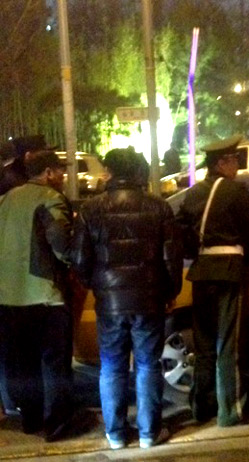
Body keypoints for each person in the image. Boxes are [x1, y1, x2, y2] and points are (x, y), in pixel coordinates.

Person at [71, 147, 182, 449]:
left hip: (110, 303)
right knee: (147, 364)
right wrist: (170, 291)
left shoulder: (91, 209)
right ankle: (149, 432)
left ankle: (116, 434)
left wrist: (97, 286)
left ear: (111, 172)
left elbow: (79, 260)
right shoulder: (158, 207)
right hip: (149, 299)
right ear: (136, 172)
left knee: (111, 365)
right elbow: (171, 258)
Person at [176, 135, 249, 427]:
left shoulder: (194, 193)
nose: (237, 165)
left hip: (202, 271)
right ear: (221, 163)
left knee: (203, 345)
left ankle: (201, 407)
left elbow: (182, 231)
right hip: (229, 270)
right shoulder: (234, 190)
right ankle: (231, 411)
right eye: (235, 159)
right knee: (228, 342)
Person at [0, 150, 74, 441]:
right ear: (48, 173)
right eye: (60, 170)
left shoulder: (5, 200)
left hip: (8, 295)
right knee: (54, 361)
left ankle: (29, 418)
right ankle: (56, 423)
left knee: (22, 361)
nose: (63, 176)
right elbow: (61, 243)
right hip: (45, 294)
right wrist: (72, 261)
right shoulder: (51, 198)